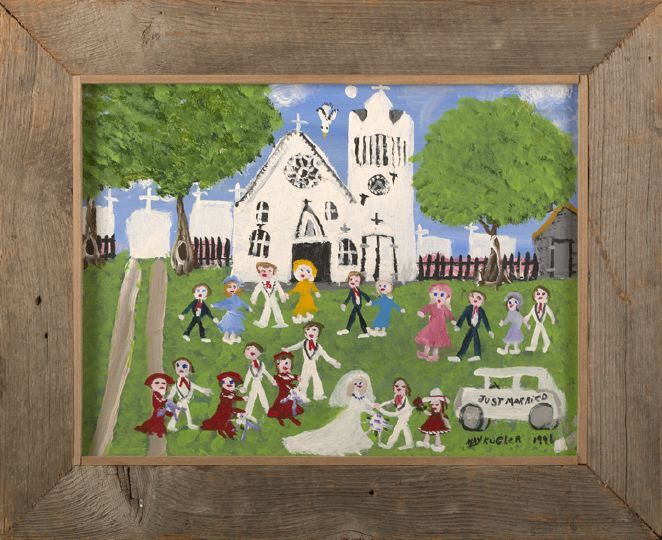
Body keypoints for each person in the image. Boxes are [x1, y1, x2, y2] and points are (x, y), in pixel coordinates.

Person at [283, 370, 377, 456]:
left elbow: (366, 402)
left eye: (360, 383)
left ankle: (357, 438)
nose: (358, 385)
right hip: (353, 413)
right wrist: (371, 406)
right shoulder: (355, 394)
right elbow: (360, 402)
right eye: (356, 383)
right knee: (347, 428)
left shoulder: (361, 395)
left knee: (356, 426)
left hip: (357, 414)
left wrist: (373, 405)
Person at [281, 322, 341, 402]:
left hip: (313, 364)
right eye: (308, 329)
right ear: (305, 333)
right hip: (306, 364)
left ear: (318, 334)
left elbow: (326, 356)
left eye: (314, 330)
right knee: (304, 379)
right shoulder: (304, 342)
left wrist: (334, 362)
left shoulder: (318, 347)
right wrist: (288, 349)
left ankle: (317, 395)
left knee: (316, 378)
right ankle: (301, 395)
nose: (310, 332)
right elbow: (296, 346)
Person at [166, 357, 212, 432]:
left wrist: (202, 390)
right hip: (182, 400)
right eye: (178, 365)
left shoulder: (187, 381)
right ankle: (173, 425)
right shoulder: (178, 382)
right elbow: (174, 390)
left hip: (184, 400)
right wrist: (170, 398)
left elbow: (194, 386)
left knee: (184, 412)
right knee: (179, 412)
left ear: (189, 370)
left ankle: (187, 424)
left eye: (184, 366)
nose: (180, 368)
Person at [448, 290, 494, 363]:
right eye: (472, 297)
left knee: (469, 340)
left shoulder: (481, 311)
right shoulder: (468, 309)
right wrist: (458, 325)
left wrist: (489, 330)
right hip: (472, 327)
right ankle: (473, 355)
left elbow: (485, 321)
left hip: (475, 327)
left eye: (479, 298)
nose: (475, 299)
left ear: (482, 302)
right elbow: (462, 317)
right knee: (469, 340)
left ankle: (462, 356)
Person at [415, 282, 456, 362]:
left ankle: (435, 355)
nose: (438, 297)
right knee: (428, 340)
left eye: (442, 295)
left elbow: (449, 315)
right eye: (436, 294)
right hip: (431, 326)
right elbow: (425, 309)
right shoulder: (431, 306)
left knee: (437, 342)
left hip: (440, 328)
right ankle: (425, 353)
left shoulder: (444, 308)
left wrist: (453, 320)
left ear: (446, 297)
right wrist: (422, 313)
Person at [200, 371, 245, 439]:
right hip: (224, 410)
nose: (228, 384)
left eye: (231, 382)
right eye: (224, 382)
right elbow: (232, 397)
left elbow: (234, 395)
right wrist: (242, 398)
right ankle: (224, 431)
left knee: (228, 420)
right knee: (224, 421)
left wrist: (240, 393)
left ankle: (230, 431)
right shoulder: (225, 393)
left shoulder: (232, 391)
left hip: (228, 409)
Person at [239, 342, 277, 418]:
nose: (251, 351)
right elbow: (248, 376)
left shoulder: (262, 364)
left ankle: (266, 411)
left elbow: (266, 372)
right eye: (248, 349)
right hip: (255, 383)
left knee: (261, 397)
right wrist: (245, 386)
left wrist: (272, 380)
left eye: (255, 349)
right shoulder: (250, 366)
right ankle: (247, 414)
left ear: (260, 352)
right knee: (254, 398)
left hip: (259, 382)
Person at [211, 276, 252, 345]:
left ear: (237, 288)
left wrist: (248, 307)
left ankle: (232, 337)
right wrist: (215, 305)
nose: (232, 289)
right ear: (226, 288)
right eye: (229, 287)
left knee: (233, 327)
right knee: (229, 326)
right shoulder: (229, 298)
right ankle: (227, 337)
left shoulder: (237, 298)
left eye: (234, 287)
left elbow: (243, 303)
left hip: (237, 315)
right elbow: (223, 303)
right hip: (230, 315)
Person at [267, 351, 304, 426]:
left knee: (291, 404)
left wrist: (297, 378)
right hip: (283, 394)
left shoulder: (289, 375)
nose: (284, 366)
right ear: (277, 366)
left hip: (290, 393)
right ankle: (283, 418)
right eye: (280, 364)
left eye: (287, 363)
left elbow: (294, 377)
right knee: (282, 405)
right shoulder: (279, 377)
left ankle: (290, 415)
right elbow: (281, 383)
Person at [376, 377, 414, 450]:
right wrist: (380, 405)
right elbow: (390, 402)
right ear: (393, 388)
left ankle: (389, 445)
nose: (399, 388)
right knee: (405, 427)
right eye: (396, 386)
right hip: (402, 414)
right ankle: (410, 444)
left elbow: (394, 414)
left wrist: (381, 410)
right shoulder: (396, 396)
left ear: (406, 389)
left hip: (405, 414)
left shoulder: (404, 400)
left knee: (397, 429)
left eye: (403, 386)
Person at [135, 372, 176, 438]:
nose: (161, 385)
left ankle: (157, 431)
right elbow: (160, 401)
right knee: (157, 420)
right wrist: (166, 402)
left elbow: (164, 401)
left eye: (163, 383)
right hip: (159, 409)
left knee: (158, 420)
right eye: (157, 383)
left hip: (160, 410)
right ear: (152, 385)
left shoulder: (161, 394)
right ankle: (155, 430)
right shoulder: (156, 394)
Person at [250, 262, 289, 329]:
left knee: (276, 310)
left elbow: (280, 290)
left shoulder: (275, 282)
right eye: (263, 271)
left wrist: (282, 296)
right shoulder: (261, 283)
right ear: (259, 273)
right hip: (267, 299)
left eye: (269, 271)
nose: (266, 273)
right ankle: (263, 323)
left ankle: (280, 323)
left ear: (273, 272)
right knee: (266, 310)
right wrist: (254, 298)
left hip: (273, 299)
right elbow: (256, 291)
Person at [415, 387, 451, 453]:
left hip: (438, 423)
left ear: (441, 405)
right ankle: (425, 442)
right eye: (432, 404)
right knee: (427, 432)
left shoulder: (441, 413)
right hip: (430, 422)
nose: (434, 406)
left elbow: (444, 417)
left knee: (437, 433)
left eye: (437, 404)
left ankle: (438, 444)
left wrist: (447, 423)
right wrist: (424, 410)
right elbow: (429, 413)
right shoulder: (432, 411)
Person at [337, 271, 371, 338]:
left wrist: (368, 300)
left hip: (358, 305)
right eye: (351, 279)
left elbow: (363, 294)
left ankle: (365, 331)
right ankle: (348, 329)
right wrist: (345, 304)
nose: (353, 282)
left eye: (356, 281)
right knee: (353, 316)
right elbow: (348, 298)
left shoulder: (357, 289)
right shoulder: (352, 290)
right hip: (356, 305)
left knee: (359, 317)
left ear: (359, 283)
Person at [523, 286, 556, 353]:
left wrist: (553, 319)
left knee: (536, 334)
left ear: (547, 296)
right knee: (540, 333)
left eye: (543, 294)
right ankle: (545, 343)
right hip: (538, 323)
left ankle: (535, 346)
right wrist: (527, 317)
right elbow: (531, 313)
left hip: (540, 323)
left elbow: (550, 313)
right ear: (534, 296)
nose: (541, 296)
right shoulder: (534, 306)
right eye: (538, 294)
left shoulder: (546, 307)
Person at [289, 259, 321, 324]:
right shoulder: (299, 284)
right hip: (302, 298)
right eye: (301, 270)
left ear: (311, 274)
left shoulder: (310, 283)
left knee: (307, 308)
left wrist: (316, 293)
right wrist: (289, 294)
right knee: (300, 308)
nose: (303, 273)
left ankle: (307, 317)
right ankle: (300, 318)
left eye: (307, 271)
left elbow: (314, 289)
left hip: (308, 297)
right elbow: (294, 290)